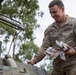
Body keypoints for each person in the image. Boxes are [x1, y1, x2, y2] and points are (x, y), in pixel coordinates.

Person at [28, 0, 76, 75]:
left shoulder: (74, 24)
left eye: (55, 12)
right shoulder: (50, 29)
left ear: (62, 9)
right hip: (57, 67)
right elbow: (44, 47)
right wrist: (34, 60)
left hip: (72, 65)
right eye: (51, 13)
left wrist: (74, 51)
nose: (52, 15)